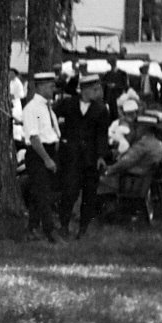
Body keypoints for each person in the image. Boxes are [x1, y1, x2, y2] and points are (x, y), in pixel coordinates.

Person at [56, 74, 108, 238]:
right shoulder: (68, 103)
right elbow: (49, 116)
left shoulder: (100, 109)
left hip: (91, 159)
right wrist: (59, 135)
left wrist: (101, 156)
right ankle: (63, 225)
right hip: (72, 156)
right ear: (85, 90)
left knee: (89, 194)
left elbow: (102, 134)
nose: (97, 92)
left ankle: (83, 228)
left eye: (98, 89)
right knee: (69, 191)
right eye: (94, 89)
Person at [19, 71, 61, 242]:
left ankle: (32, 228)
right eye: (51, 86)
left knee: (40, 192)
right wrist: (46, 159)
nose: (54, 89)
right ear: (41, 87)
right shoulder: (33, 109)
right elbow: (34, 137)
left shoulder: (47, 107)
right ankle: (50, 231)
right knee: (43, 194)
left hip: (50, 151)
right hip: (39, 154)